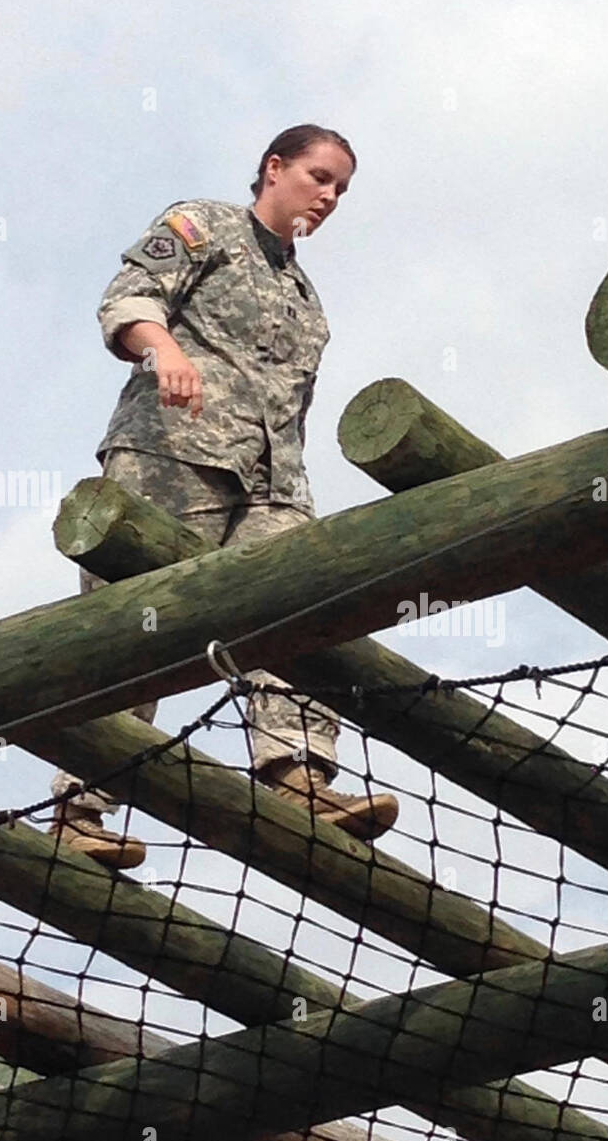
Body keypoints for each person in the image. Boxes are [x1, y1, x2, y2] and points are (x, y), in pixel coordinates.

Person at [48, 124, 399, 869]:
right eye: (318, 176)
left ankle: (297, 776)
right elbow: (129, 296)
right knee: (133, 630)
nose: (329, 196)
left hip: (272, 486)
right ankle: (79, 813)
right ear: (274, 168)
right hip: (171, 457)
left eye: (340, 187)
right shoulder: (204, 224)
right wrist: (164, 347)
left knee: (300, 600)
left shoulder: (306, 300)